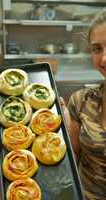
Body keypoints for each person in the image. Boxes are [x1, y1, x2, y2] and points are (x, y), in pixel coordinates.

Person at [61, 9, 106, 200]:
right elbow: (69, 165)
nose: (104, 59)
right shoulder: (80, 101)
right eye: (97, 49)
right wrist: (60, 130)